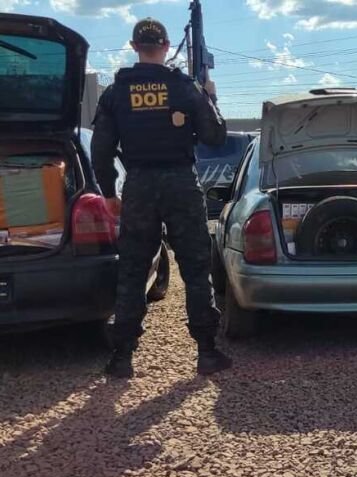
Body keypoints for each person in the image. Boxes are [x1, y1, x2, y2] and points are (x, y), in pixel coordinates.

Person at [92, 18, 232, 378]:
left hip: (138, 184)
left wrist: (108, 192)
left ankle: (122, 357)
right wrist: (210, 95)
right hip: (181, 182)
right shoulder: (184, 87)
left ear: (134, 46)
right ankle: (206, 352)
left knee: (133, 269)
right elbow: (215, 136)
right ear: (167, 46)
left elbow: (101, 150)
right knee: (196, 269)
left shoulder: (116, 92)